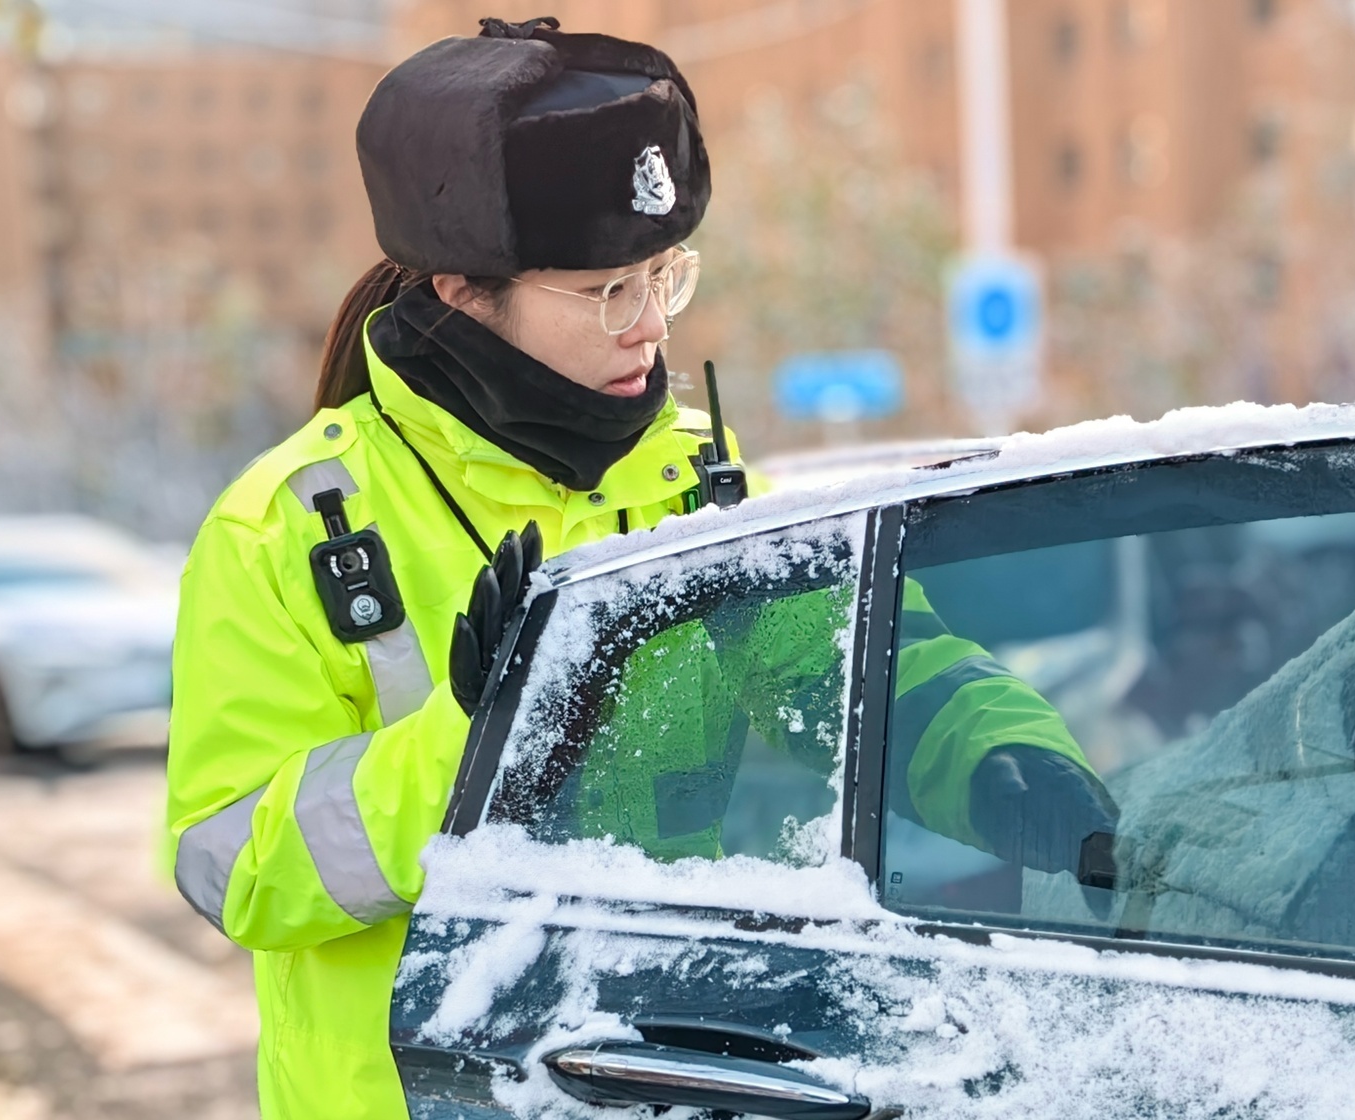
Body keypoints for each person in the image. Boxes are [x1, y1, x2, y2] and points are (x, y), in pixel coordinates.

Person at [164, 18, 1114, 1119]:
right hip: (424, 1093)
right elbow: (229, 866)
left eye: (666, 274)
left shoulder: (685, 469)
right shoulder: (288, 529)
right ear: (463, 289)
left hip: (649, 1080)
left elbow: (844, 668)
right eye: (608, 291)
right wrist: (469, 741)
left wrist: (997, 755)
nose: (651, 326)